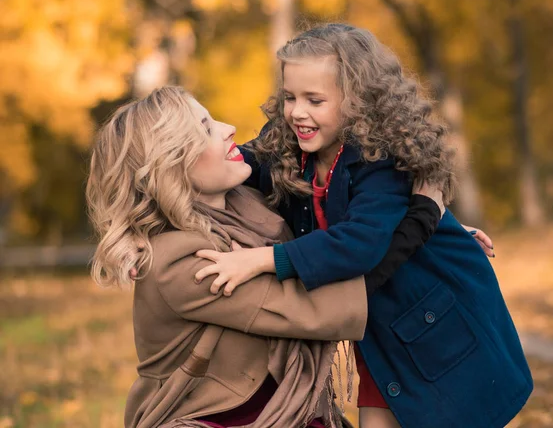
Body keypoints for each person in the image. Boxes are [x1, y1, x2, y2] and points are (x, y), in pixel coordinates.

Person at [193, 24, 533, 428]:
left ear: (357, 102)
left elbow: (359, 243)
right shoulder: (288, 145)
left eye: (314, 100)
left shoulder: (378, 159)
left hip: (433, 322)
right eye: (290, 97)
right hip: (380, 334)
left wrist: (262, 260)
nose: (297, 112)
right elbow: (231, 167)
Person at [86, 85, 445, 428]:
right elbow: (314, 306)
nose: (229, 130)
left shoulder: (247, 202)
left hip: (284, 410)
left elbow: (335, 227)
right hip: (219, 419)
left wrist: (446, 238)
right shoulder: (179, 263)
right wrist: (421, 222)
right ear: (171, 164)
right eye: (205, 128)